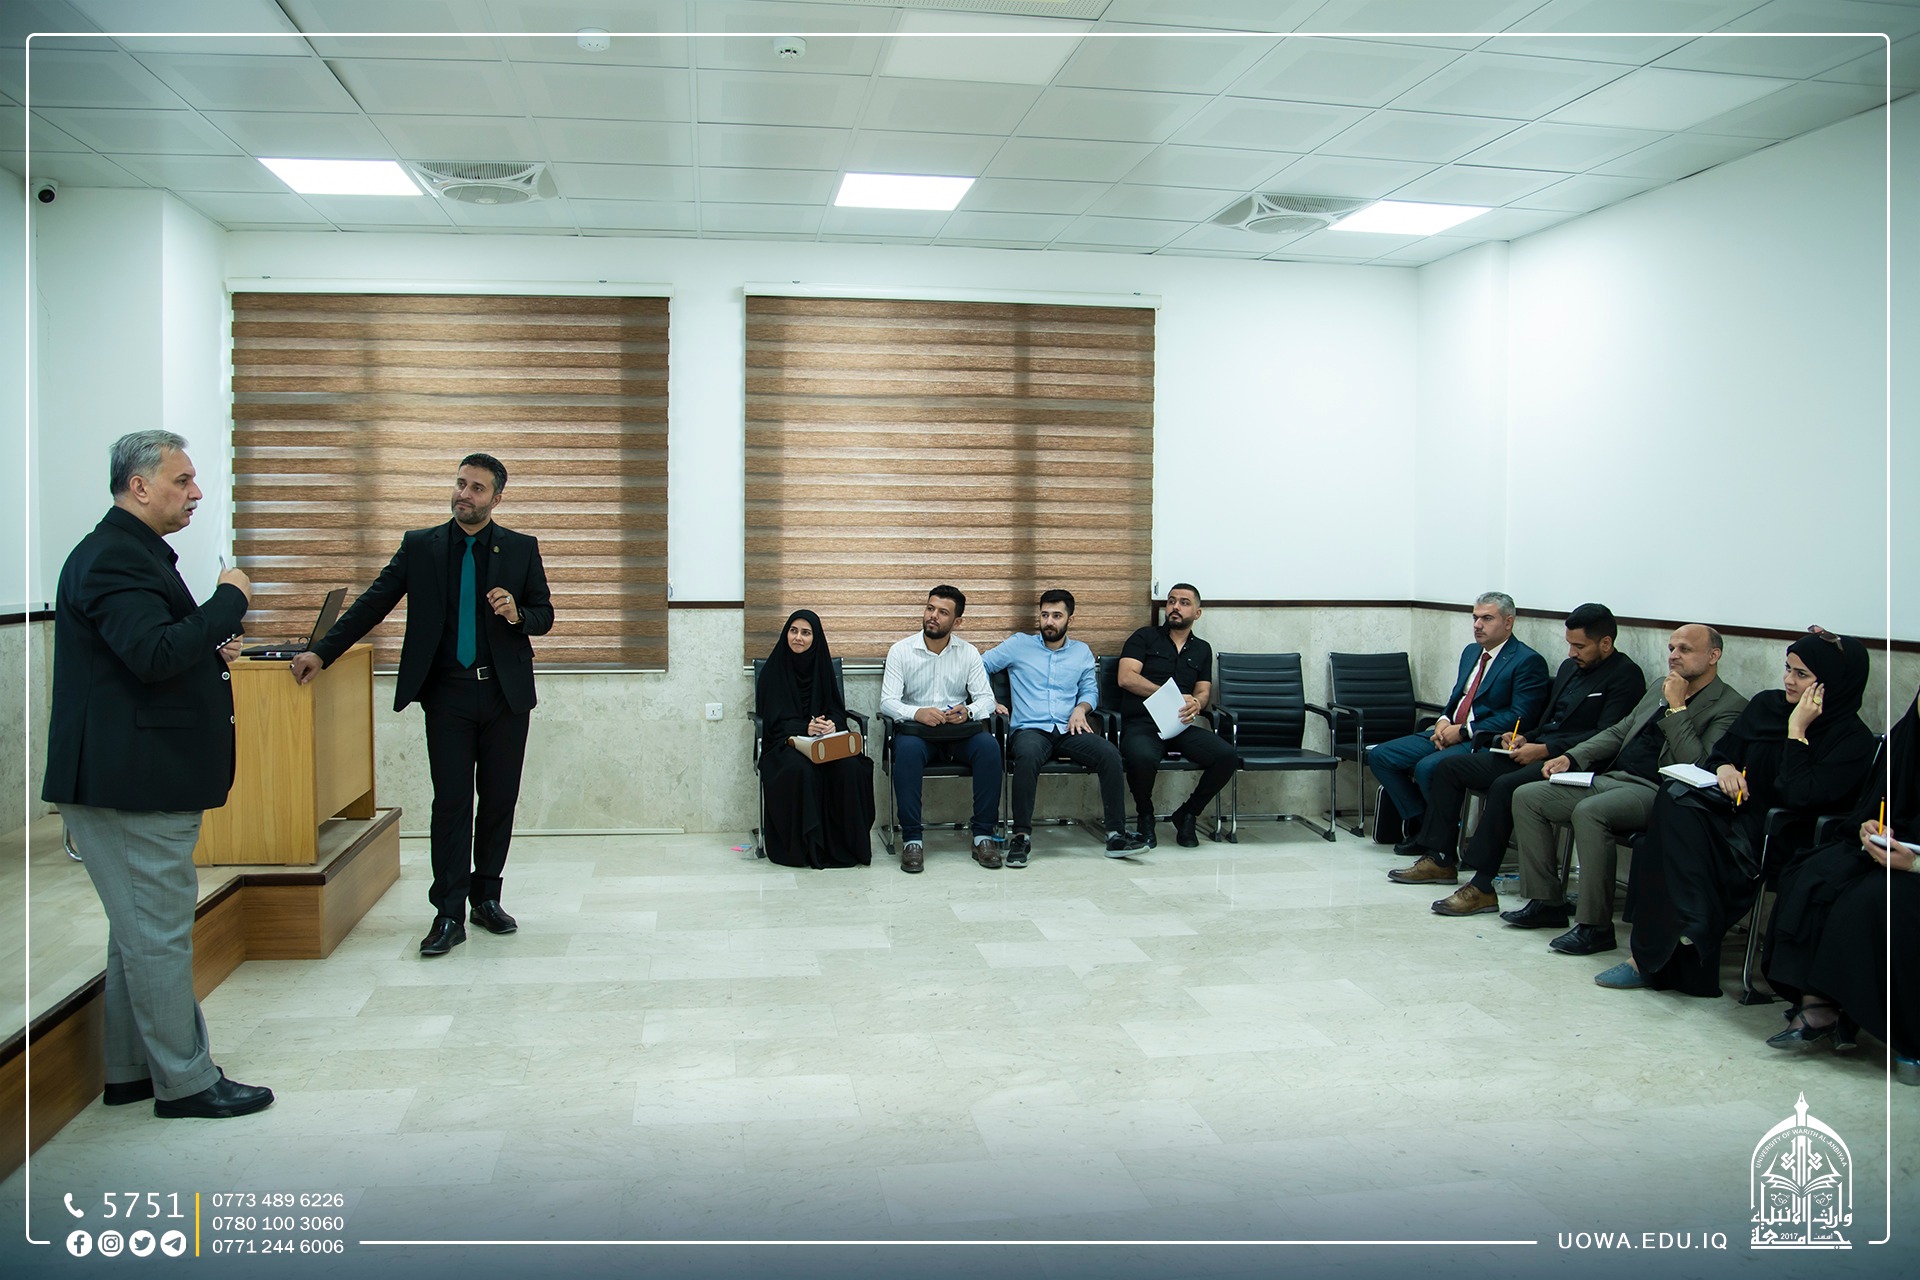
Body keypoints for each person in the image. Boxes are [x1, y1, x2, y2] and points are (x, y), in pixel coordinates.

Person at [42, 430, 274, 1119]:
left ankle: (131, 1072)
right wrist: (229, 600)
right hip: (130, 786)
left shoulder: (129, 552)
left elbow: (148, 652)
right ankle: (187, 1083)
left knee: (138, 936)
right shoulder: (114, 556)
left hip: (133, 780)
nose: (196, 493)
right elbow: (152, 654)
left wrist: (205, 649)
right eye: (182, 480)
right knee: (159, 939)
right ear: (139, 486)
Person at [291, 453, 553, 956]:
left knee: (498, 801)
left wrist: (518, 614)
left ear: (497, 498)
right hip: (447, 694)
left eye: (477, 488)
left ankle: (487, 899)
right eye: (460, 483)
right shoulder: (421, 546)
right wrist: (322, 652)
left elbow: (544, 614)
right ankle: (448, 913)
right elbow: (372, 603)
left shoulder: (521, 548)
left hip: (505, 695)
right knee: (451, 803)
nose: (464, 494)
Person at [1595, 630, 1877, 996]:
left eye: (1802, 674)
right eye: (1787, 669)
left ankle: (1656, 955)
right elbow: (1721, 754)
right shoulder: (1767, 706)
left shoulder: (1851, 739)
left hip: (1778, 834)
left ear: (1835, 682)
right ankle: (1685, 936)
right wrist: (1725, 767)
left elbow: (1798, 796)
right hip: (1730, 814)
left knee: (1673, 841)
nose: (1788, 680)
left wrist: (1797, 730)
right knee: (1673, 800)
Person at [1489, 625, 1747, 955]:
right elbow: (1620, 730)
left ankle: (1595, 926)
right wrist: (1572, 756)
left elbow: (1700, 764)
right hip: (1615, 777)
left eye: (1684, 649)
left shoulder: (1729, 705)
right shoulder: (1661, 685)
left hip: (1659, 792)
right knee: (1528, 796)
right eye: (1671, 648)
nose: (1673, 656)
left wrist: (1677, 707)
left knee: (1590, 812)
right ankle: (1547, 902)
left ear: (1714, 656)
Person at [1397, 603, 1646, 895]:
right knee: (1449, 768)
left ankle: (1481, 884)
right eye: (1569, 644)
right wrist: (1523, 738)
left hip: (1573, 762)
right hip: (1538, 749)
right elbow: (1549, 720)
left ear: (1605, 643)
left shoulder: (1625, 675)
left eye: (1579, 646)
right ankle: (1440, 858)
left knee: (1505, 787)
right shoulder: (1570, 668)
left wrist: (1545, 749)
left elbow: (1606, 736)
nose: (1571, 653)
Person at [1762, 685, 1917, 1078]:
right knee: (1813, 873)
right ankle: (1819, 1005)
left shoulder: (1851, 738)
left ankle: (1903, 1037)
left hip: (1912, 867)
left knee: (1869, 897)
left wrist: (1915, 863)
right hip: (1893, 852)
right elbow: (1882, 805)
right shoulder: (1907, 737)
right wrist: (1872, 827)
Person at [1365, 593, 1550, 854]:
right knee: (1381, 756)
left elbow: (1521, 715)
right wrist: (1442, 721)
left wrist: (1463, 731)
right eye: (1475, 618)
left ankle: (1436, 838)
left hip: (1481, 739)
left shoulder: (1526, 661)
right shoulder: (1471, 652)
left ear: (1508, 622)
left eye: (1487, 618)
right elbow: (1458, 697)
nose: (1477, 625)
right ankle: (1424, 824)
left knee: (1428, 768)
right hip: (1450, 729)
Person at [982, 590, 1150, 866]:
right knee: (1026, 756)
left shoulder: (1081, 652)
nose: (1049, 621)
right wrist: (990, 701)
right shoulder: (1019, 645)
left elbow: (1090, 691)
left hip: (1069, 728)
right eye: (1045, 615)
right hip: (1030, 729)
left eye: (1057, 616)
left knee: (1109, 753)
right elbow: (979, 666)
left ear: (1070, 619)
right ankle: (1021, 837)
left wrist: (1080, 709)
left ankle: (1115, 835)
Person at [879, 585, 1000, 873]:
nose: (933, 616)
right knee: (906, 752)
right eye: (930, 608)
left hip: (958, 733)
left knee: (989, 747)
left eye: (943, 612)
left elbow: (987, 699)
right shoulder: (901, 651)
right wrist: (917, 713)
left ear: (957, 622)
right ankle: (912, 840)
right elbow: (887, 702)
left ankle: (983, 836)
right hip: (917, 734)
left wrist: (968, 711)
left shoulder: (968, 653)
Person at [1116, 583, 1240, 848]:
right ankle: (1145, 816)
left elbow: (1203, 691)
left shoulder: (1202, 649)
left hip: (1180, 725)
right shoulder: (1144, 637)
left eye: (1184, 602)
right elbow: (1126, 678)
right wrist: (1168, 695)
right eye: (1171, 601)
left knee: (1226, 756)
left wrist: (1196, 702)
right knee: (1141, 757)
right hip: (1143, 723)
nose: (1175, 606)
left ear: (1197, 613)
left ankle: (1188, 813)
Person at [754, 610, 874, 869]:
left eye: (806, 633)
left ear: (815, 638)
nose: (798, 637)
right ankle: (805, 849)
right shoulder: (773, 672)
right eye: (793, 631)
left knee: (851, 767)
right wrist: (803, 728)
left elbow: (836, 710)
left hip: (823, 744)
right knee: (801, 770)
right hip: (784, 744)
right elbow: (771, 721)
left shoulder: (823, 668)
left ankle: (846, 847)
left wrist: (831, 724)